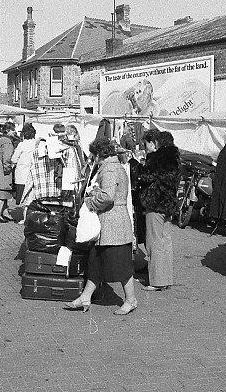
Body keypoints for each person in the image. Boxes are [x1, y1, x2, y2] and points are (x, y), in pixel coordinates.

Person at [64, 137, 137, 315]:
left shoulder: (109, 169)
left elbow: (108, 197)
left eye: (93, 156)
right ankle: (85, 297)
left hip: (114, 224)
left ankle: (131, 300)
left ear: (99, 155)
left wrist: (90, 201)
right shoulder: (115, 166)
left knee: (120, 265)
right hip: (111, 223)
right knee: (95, 262)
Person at [137, 130, 180, 291]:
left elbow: (145, 176)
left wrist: (136, 164)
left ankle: (156, 281)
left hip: (155, 204)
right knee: (165, 242)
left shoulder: (158, 158)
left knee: (154, 243)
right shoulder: (174, 157)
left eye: (147, 144)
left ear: (154, 143)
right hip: (168, 204)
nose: (146, 148)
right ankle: (166, 279)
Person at [0, 122, 16, 222]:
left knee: (2, 192)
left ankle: (5, 212)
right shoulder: (8, 142)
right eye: (13, 130)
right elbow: (7, 158)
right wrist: (8, 168)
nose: (14, 132)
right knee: (3, 191)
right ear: (8, 131)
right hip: (3, 170)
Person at [11, 123, 37, 207]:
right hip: (33, 174)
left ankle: (24, 217)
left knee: (22, 196)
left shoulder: (21, 145)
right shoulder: (36, 144)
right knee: (31, 196)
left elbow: (14, 159)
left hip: (22, 174)